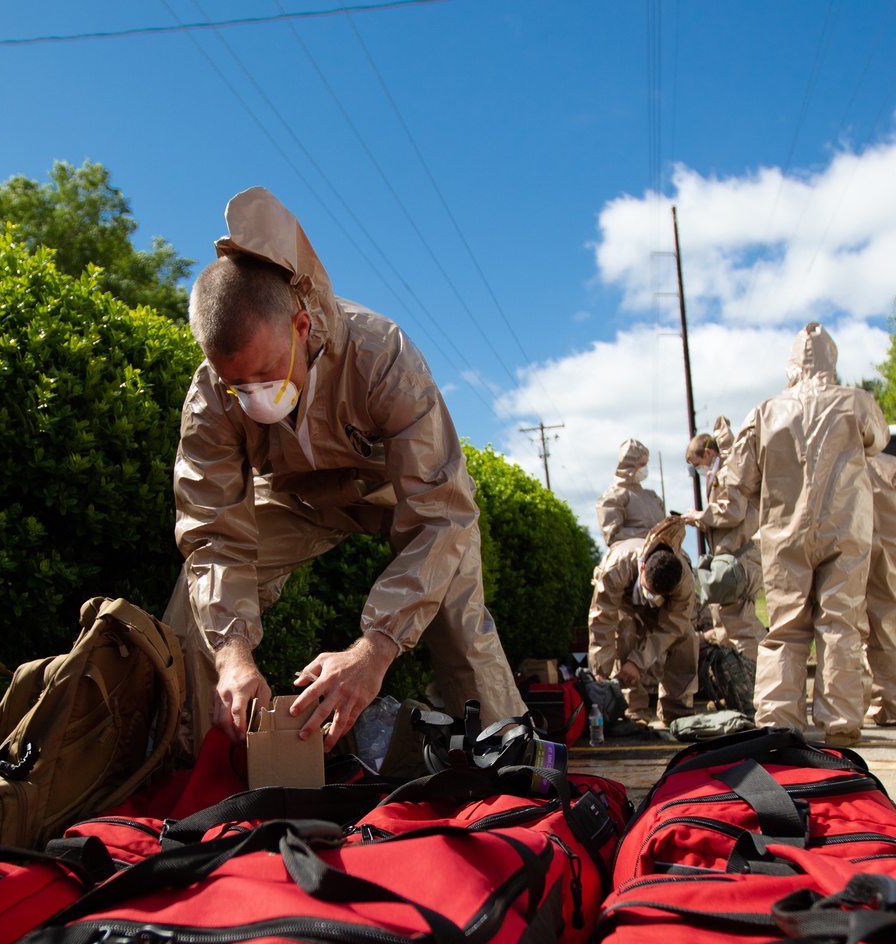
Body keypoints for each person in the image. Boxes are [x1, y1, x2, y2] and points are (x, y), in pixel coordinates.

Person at [163, 187, 525, 756]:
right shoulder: (210, 397)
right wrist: (233, 656)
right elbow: (212, 536)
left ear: (301, 327)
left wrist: (373, 650)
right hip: (294, 495)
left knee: (455, 606)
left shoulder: (383, 358)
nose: (254, 398)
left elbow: (439, 514)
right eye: (239, 386)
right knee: (197, 607)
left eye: (265, 373)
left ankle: (501, 757)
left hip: (395, 493)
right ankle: (196, 764)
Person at [721, 323, 889, 747]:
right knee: (842, 623)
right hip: (845, 528)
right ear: (831, 360)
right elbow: (878, 440)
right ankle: (842, 723)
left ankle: (779, 722)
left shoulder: (765, 410)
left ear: (792, 363)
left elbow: (738, 476)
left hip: (784, 531)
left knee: (786, 628)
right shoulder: (856, 402)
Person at [587, 526, 698, 726]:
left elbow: (673, 626)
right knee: (625, 632)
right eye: (649, 590)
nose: (651, 596)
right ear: (643, 566)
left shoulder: (685, 582)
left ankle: (677, 711)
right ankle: (634, 710)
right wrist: (600, 670)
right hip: (623, 599)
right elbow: (602, 620)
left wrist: (639, 661)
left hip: (662, 610)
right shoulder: (616, 567)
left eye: (657, 593)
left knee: (687, 638)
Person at [682, 416, 765, 662]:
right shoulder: (722, 474)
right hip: (730, 560)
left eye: (697, 464)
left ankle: (762, 684)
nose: (698, 471)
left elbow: (733, 511)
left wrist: (701, 515)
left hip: (739, 560)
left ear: (708, 453)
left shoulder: (729, 474)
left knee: (743, 628)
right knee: (728, 628)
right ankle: (744, 684)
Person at [865, 431, 896, 725]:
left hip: (857, 551)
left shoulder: (861, 464)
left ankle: (881, 703)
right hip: (888, 553)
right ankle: (889, 703)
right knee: (886, 626)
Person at [596, 438, 666, 547]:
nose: (645, 468)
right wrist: (650, 534)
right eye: (642, 464)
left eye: (646, 464)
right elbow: (613, 535)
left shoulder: (652, 497)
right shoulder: (612, 497)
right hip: (630, 556)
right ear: (629, 464)